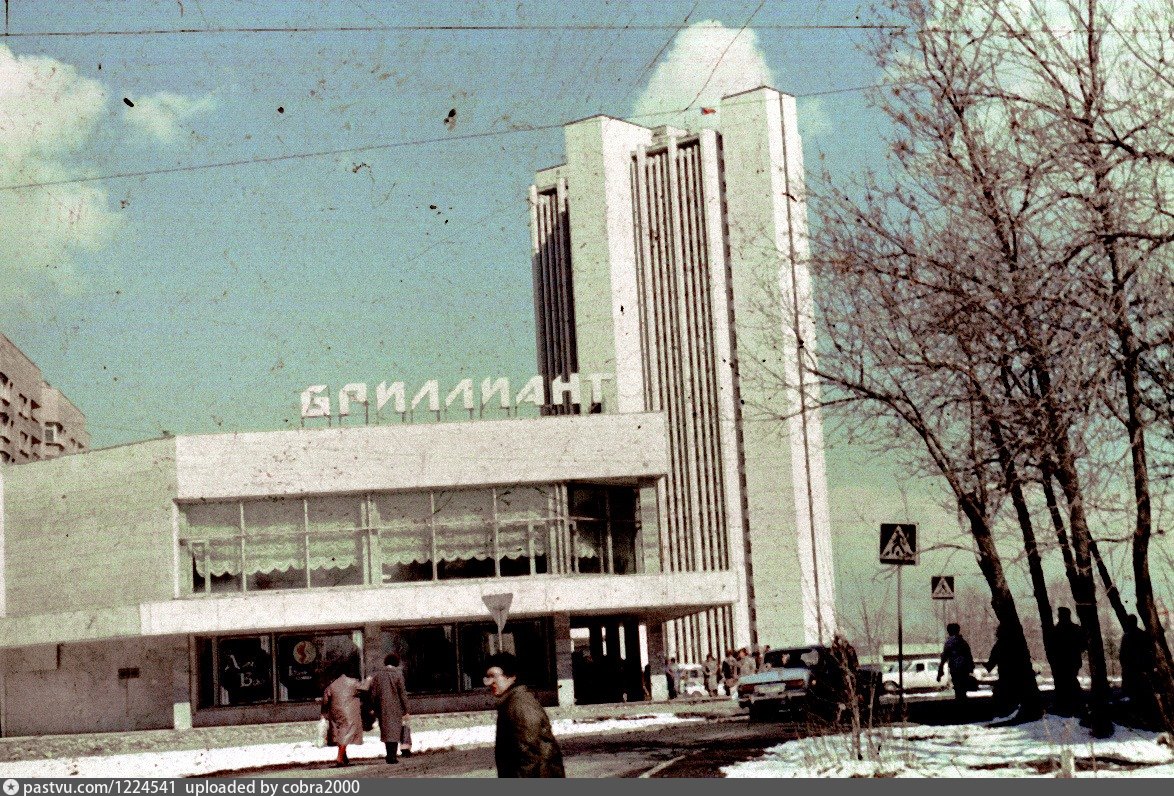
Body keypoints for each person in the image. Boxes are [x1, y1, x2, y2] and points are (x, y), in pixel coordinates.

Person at [484, 652, 565, 778]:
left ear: (511, 676)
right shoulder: (511, 702)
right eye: (487, 677)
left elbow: (530, 754)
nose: (490, 682)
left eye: (494, 676)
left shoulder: (520, 704)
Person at [320, 663, 367, 767]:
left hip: (334, 712)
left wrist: (323, 712)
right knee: (346, 733)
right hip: (348, 712)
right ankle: (340, 758)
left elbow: (325, 700)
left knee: (339, 733)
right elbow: (365, 688)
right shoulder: (353, 682)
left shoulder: (332, 684)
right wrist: (369, 679)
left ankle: (344, 757)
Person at [368, 653, 411, 763]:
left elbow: (374, 693)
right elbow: (402, 693)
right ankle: (393, 755)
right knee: (395, 731)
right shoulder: (398, 675)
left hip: (382, 707)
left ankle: (389, 754)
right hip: (396, 707)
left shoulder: (378, 676)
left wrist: (374, 707)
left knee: (386, 731)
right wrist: (406, 709)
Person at [1119, 614, 1156, 726]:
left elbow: (1122, 655)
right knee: (1141, 695)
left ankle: (1136, 717)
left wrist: (1125, 667)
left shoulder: (1127, 637)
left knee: (1133, 695)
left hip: (1132, 671)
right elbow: (1150, 653)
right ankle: (1143, 717)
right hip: (1140, 670)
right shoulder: (1144, 635)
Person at [1050, 607, 1086, 717]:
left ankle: (1070, 706)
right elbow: (1083, 645)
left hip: (1063, 662)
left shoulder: (1057, 629)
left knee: (1066, 683)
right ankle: (1074, 705)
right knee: (1070, 682)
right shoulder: (1075, 629)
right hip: (1072, 661)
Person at [937, 622, 975, 704]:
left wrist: (940, 670)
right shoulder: (963, 642)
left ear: (949, 631)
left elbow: (944, 656)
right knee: (963, 689)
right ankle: (963, 702)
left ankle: (959, 703)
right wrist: (971, 667)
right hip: (964, 669)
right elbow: (969, 655)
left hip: (955, 669)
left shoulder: (949, 643)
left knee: (958, 688)